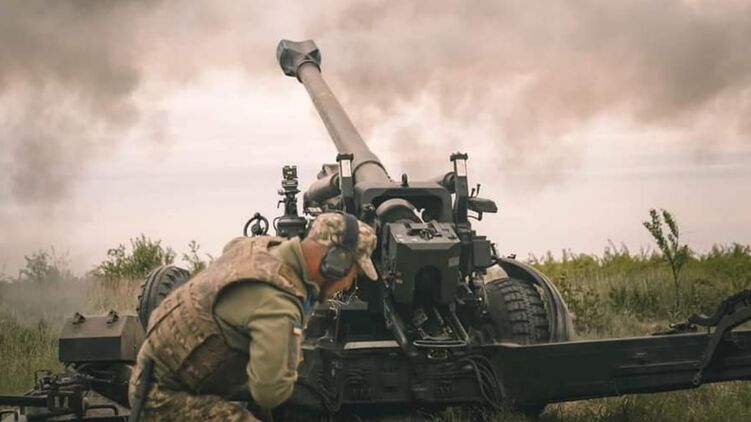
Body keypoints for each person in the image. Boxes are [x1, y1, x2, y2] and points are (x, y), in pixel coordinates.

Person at [128, 212, 378, 421]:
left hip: (154, 371)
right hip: (161, 398)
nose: (349, 284)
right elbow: (270, 392)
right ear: (336, 262)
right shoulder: (279, 305)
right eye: (353, 273)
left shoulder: (261, 247)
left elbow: (232, 246)